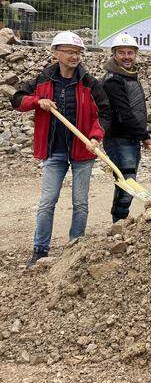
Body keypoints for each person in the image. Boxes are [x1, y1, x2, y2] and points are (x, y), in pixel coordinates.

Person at [11, 31, 110, 267]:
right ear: (56, 53)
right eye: (69, 51)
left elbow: (104, 114)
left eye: (77, 52)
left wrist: (96, 137)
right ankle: (40, 251)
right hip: (53, 150)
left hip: (83, 151)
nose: (74, 56)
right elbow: (17, 100)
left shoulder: (89, 82)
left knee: (80, 202)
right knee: (47, 202)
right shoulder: (43, 80)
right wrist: (38, 102)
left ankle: (75, 249)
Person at [101, 33, 151, 223]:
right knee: (127, 183)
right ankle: (119, 222)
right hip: (118, 138)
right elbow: (124, 113)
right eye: (121, 53)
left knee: (127, 181)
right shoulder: (113, 80)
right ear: (114, 55)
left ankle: (120, 221)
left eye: (130, 53)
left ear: (136, 54)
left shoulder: (130, 76)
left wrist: (139, 135)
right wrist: (145, 136)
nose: (126, 57)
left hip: (130, 138)